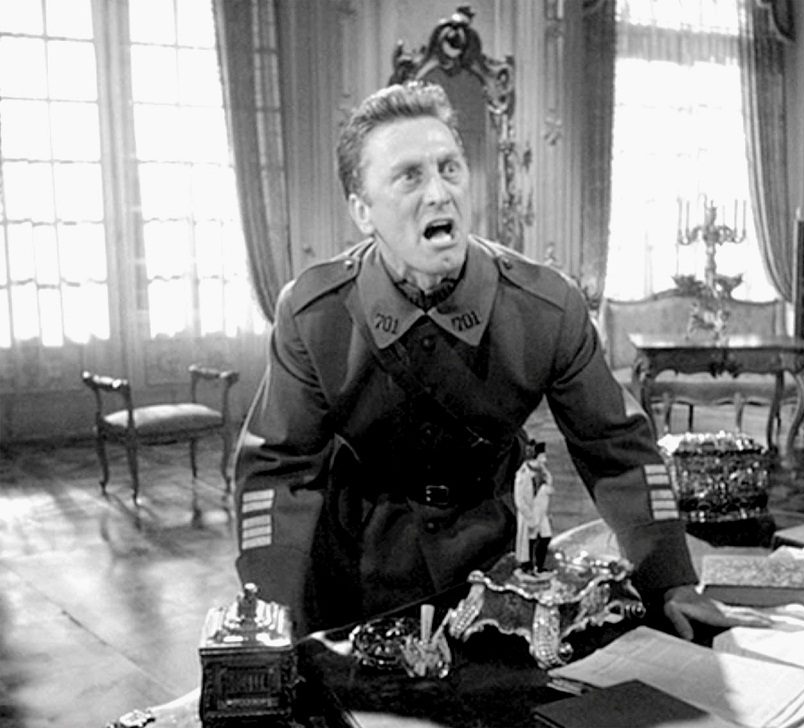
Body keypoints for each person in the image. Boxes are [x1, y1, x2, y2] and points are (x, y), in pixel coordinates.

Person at [233, 80, 763, 639]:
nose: (440, 193)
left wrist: (670, 582)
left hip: (497, 582)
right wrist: (269, 614)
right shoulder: (314, 314)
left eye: (450, 169)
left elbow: (616, 449)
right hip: (354, 577)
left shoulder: (545, 307)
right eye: (410, 176)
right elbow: (278, 472)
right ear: (363, 211)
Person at [513, 440, 553, 573]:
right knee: (530, 539)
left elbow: (547, 486)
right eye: (543, 455)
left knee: (546, 536)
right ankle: (527, 566)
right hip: (529, 513)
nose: (545, 458)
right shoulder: (523, 474)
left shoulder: (543, 471)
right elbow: (519, 499)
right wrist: (529, 517)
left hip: (541, 511)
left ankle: (540, 566)